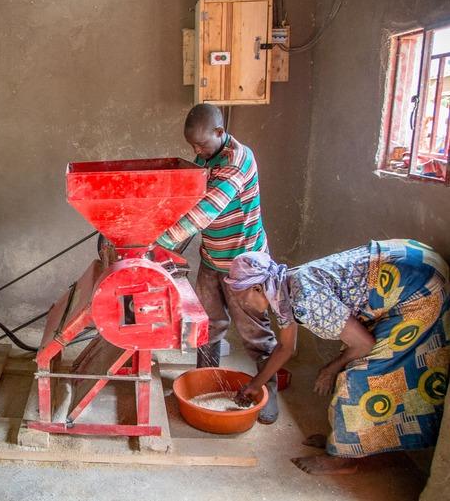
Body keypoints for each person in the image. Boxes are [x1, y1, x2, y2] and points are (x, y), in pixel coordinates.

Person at [225, 240, 449, 475]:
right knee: (353, 364)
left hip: (420, 286)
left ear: (257, 288)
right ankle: (345, 441)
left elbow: (364, 344)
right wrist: (255, 385)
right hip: (408, 265)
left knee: (360, 376)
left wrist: (330, 369)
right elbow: (285, 348)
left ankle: (343, 459)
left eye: (241, 295)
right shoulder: (282, 287)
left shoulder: (305, 300)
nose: (242, 303)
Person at [155, 103, 278, 423]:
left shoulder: (237, 161)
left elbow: (204, 211)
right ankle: (205, 383)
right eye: (192, 146)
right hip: (212, 257)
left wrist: (158, 243)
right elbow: (189, 200)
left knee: (255, 334)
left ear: (220, 132)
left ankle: (268, 390)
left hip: (244, 265)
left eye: (201, 144)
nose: (197, 151)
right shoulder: (207, 158)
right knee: (207, 326)